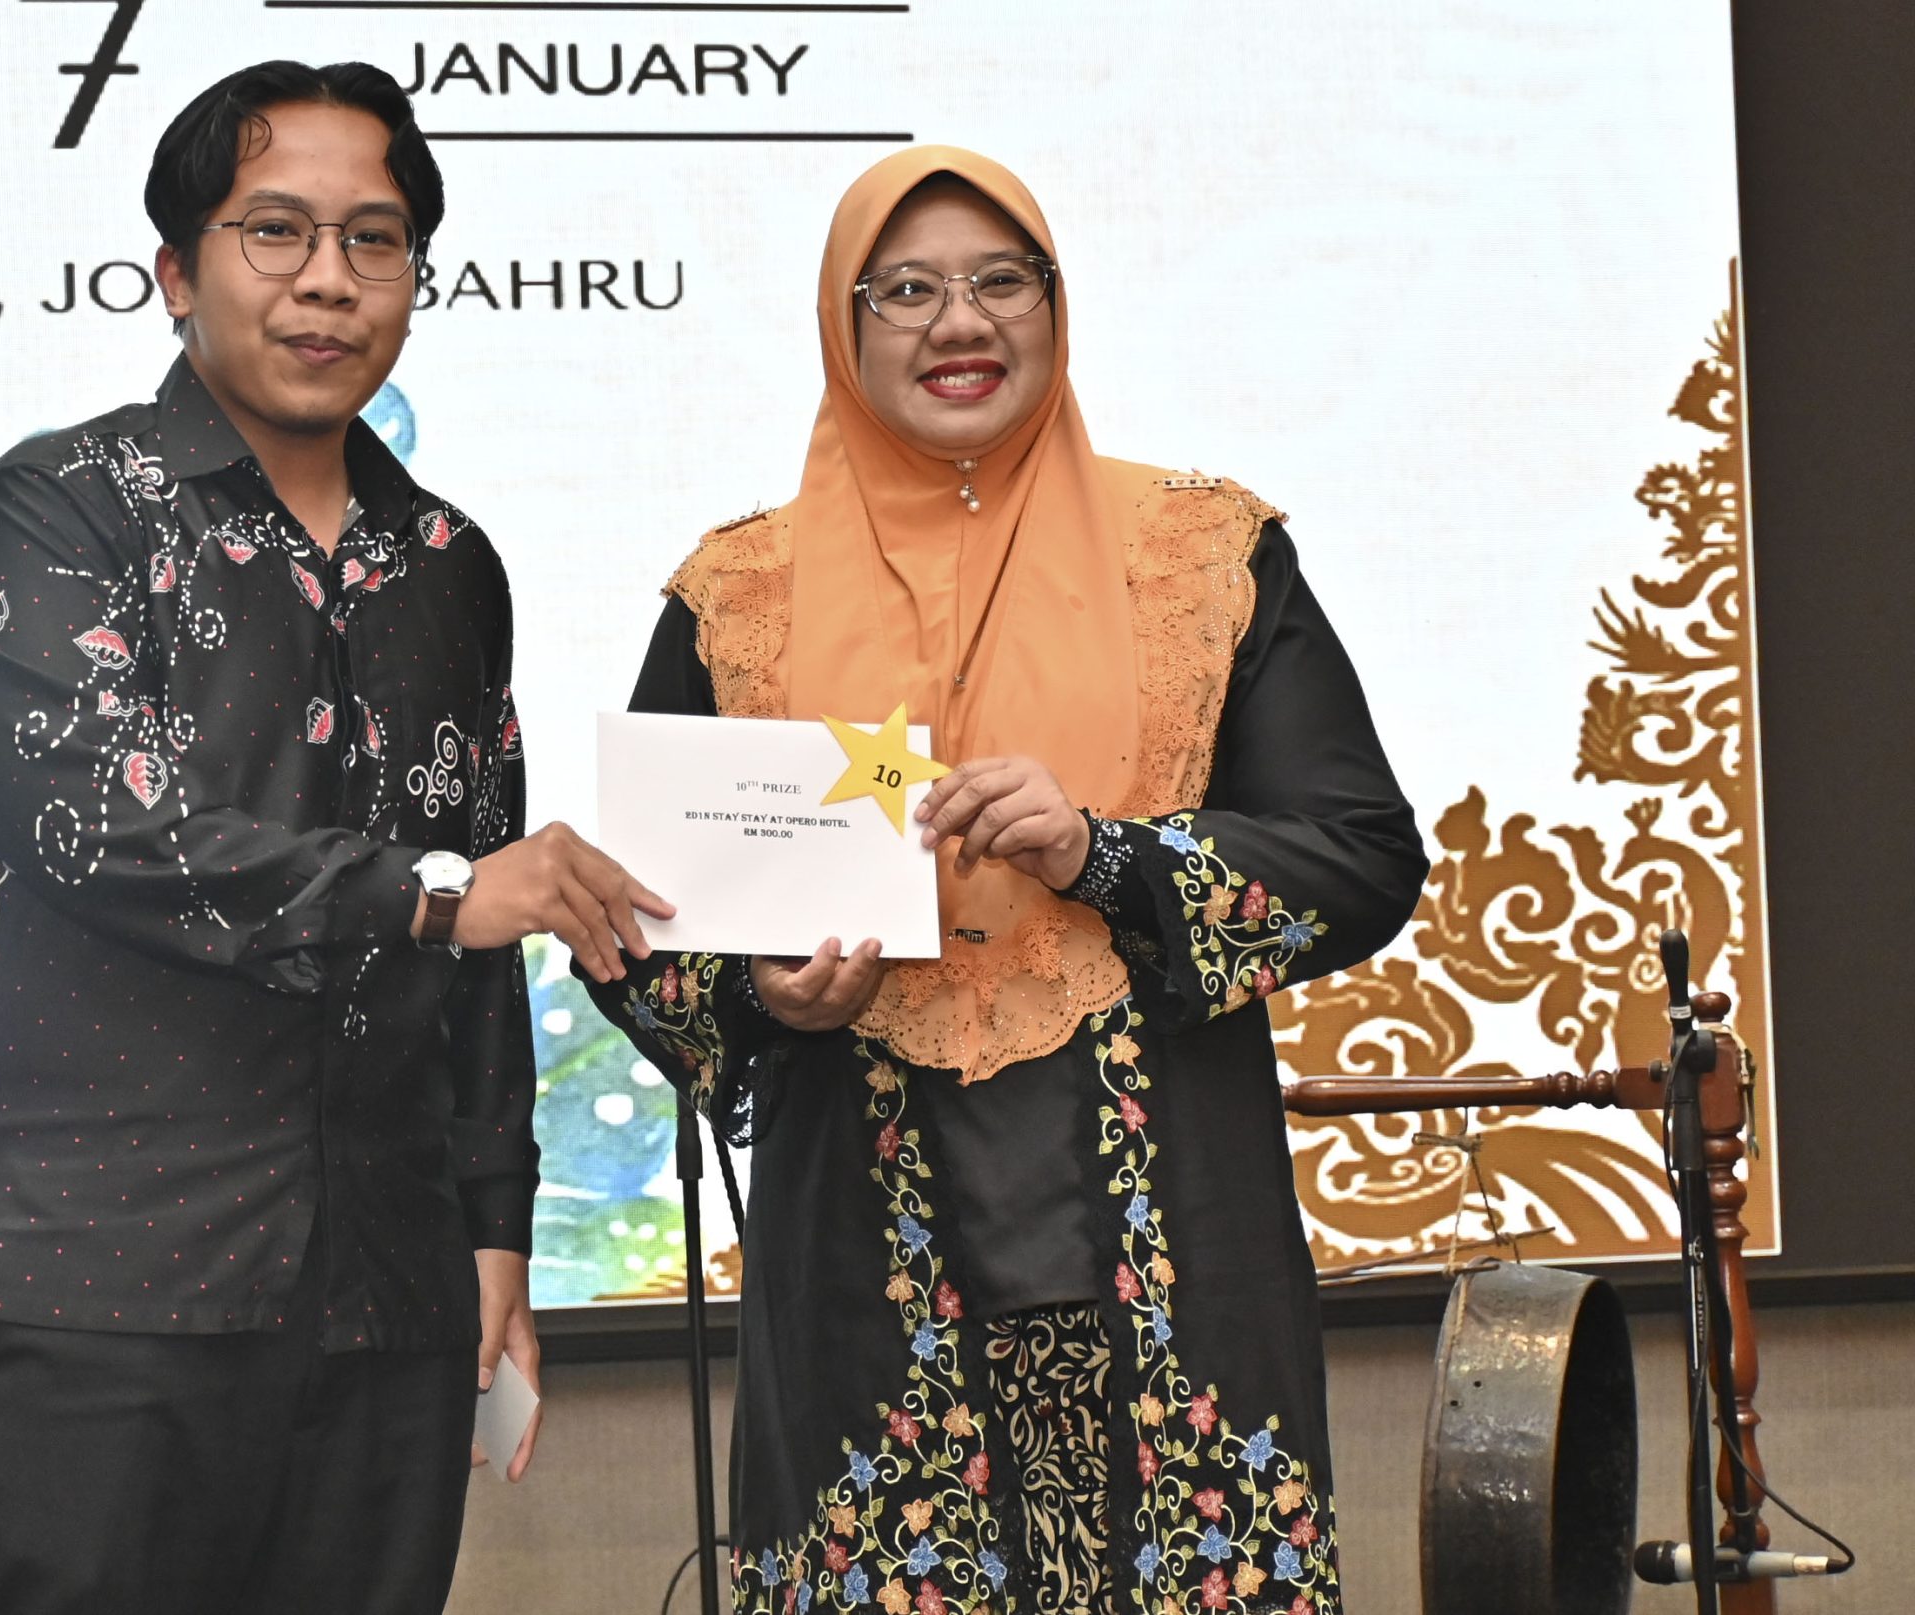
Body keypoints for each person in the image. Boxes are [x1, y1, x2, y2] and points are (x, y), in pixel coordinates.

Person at [577, 147, 1427, 1614]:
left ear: (1055, 302)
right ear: (844, 328)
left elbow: (1360, 858)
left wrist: (1107, 853)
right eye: (904, 290)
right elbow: (636, 937)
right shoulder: (738, 598)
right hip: (865, 1269)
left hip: (1173, 1248)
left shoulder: (1207, 555)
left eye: (998, 281)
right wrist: (767, 996)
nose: (957, 322)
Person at [0, 59, 668, 1615]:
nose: (329, 279)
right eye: (276, 232)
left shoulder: (447, 562)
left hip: (384, 1295)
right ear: (178, 273)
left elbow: (486, 918)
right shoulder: (61, 509)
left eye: (374, 239)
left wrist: (494, 1227)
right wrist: (438, 896)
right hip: (89, 1284)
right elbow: (95, 823)